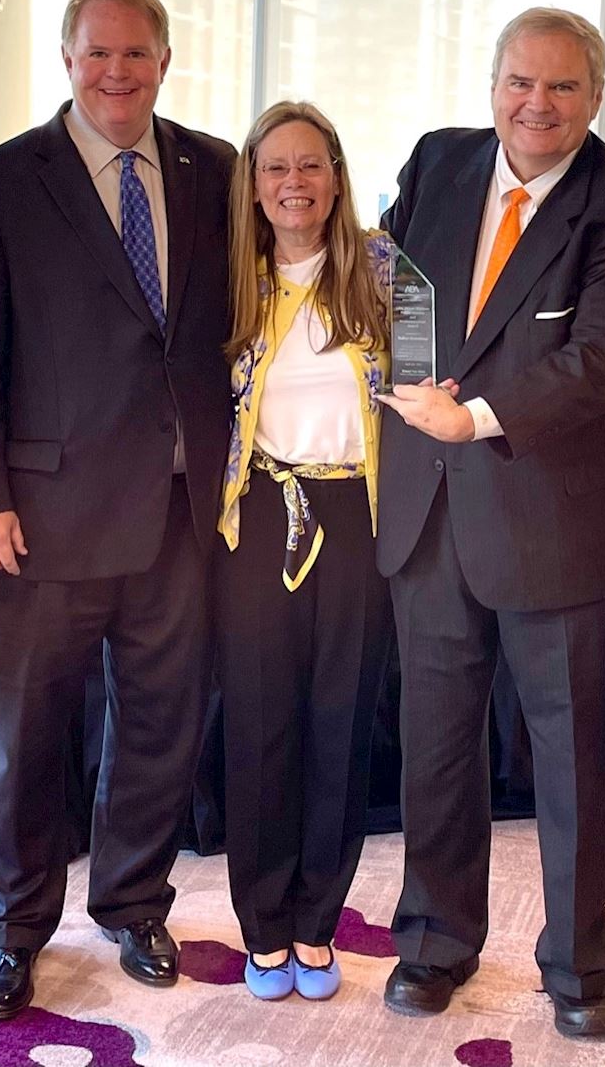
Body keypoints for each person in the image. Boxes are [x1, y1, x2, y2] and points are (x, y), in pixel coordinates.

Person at [374, 6, 605, 1038]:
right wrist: (405, 386)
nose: (535, 104)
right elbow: (395, 286)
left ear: (594, 97)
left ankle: (577, 965)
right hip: (429, 520)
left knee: (573, 767)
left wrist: (476, 416)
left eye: (559, 87)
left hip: (558, 530)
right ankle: (432, 940)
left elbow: (604, 356)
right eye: (518, 81)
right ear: (491, 82)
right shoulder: (438, 162)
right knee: (435, 749)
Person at [0, 0, 234, 1020]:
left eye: (137, 53)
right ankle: (12, 927)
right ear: (67, 59)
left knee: (159, 723)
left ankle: (134, 901)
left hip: (181, 512)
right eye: (98, 53)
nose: (118, 72)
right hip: (40, 516)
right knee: (26, 733)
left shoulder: (215, 169)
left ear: (164, 59)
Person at [215, 100, 395, 1003]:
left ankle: (317, 920)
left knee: (340, 721)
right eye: (276, 166)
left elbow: (430, 389)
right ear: (252, 180)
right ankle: (262, 923)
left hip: (359, 517)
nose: (295, 182)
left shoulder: (385, 275)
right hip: (256, 518)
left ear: (336, 175)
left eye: (312, 165)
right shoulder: (227, 279)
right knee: (259, 723)